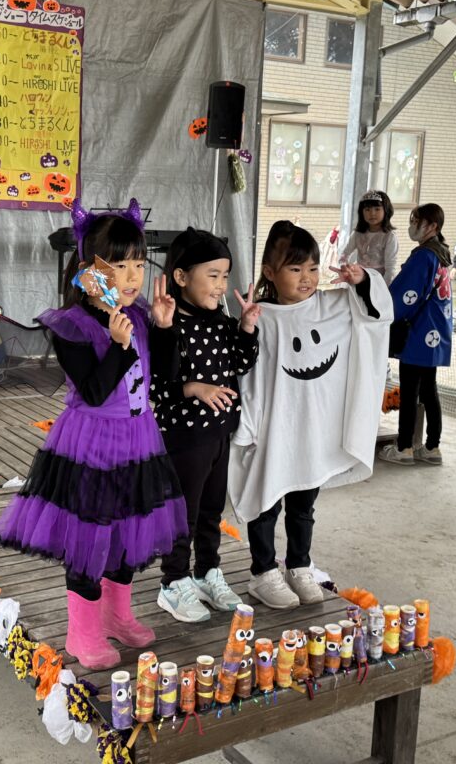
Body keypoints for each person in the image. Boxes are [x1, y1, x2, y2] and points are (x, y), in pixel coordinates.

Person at [0, 200, 187, 670]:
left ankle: (117, 615)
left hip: (138, 440)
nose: (133, 276)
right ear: (91, 271)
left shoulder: (139, 315)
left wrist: (163, 328)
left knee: (129, 527)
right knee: (90, 534)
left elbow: (164, 376)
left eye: (139, 264)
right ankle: (82, 633)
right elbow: (95, 392)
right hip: (92, 444)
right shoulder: (72, 326)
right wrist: (118, 346)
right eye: (120, 265)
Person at [229, 221, 391, 609]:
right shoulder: (261, 316)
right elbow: (245, 371)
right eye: (295, 268)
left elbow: (376, 315)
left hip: (314, 427)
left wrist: (362, 280)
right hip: (275, 427)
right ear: (270, 272)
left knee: (304, 505)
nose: (307, 278)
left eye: (313, 268)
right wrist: (247, 426)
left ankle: (299, 565)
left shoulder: (333, 306)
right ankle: (263, 572)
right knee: (266, 499)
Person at [152, 228, 260, 623]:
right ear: (181, 277)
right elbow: (157, 384)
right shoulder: (167, 323)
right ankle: (173, 581)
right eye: (212, 275)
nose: (221, 285)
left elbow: (242, 363)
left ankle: (207, 572)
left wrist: (247, 327)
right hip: (184, 436)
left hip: (218, 434)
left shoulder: (221, 322)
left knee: (212, 510)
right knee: (183, 512)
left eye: (225, 276)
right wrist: (194, 387)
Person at [378, 203, 453, 466]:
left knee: (410, 390)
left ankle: (405, 447)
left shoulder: (424, 256)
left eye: (417, 221)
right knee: (429, 390)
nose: (413, 225)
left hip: (419, 332)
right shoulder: (442, 253)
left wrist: (383, 311)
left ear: (432, 226)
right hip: (436, 332)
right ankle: (432, 447)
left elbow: (406, 295)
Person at [339, 190, 398, 285]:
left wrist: (384, 287)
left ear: (386, 210)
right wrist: (344, 266)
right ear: (361, 212)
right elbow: (345, 254)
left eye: (377, 209)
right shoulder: (357, 234)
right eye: (367, 209)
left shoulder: (389, 236)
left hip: (379, 280)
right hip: (359, 278)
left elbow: (390, 267)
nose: (372, 213)